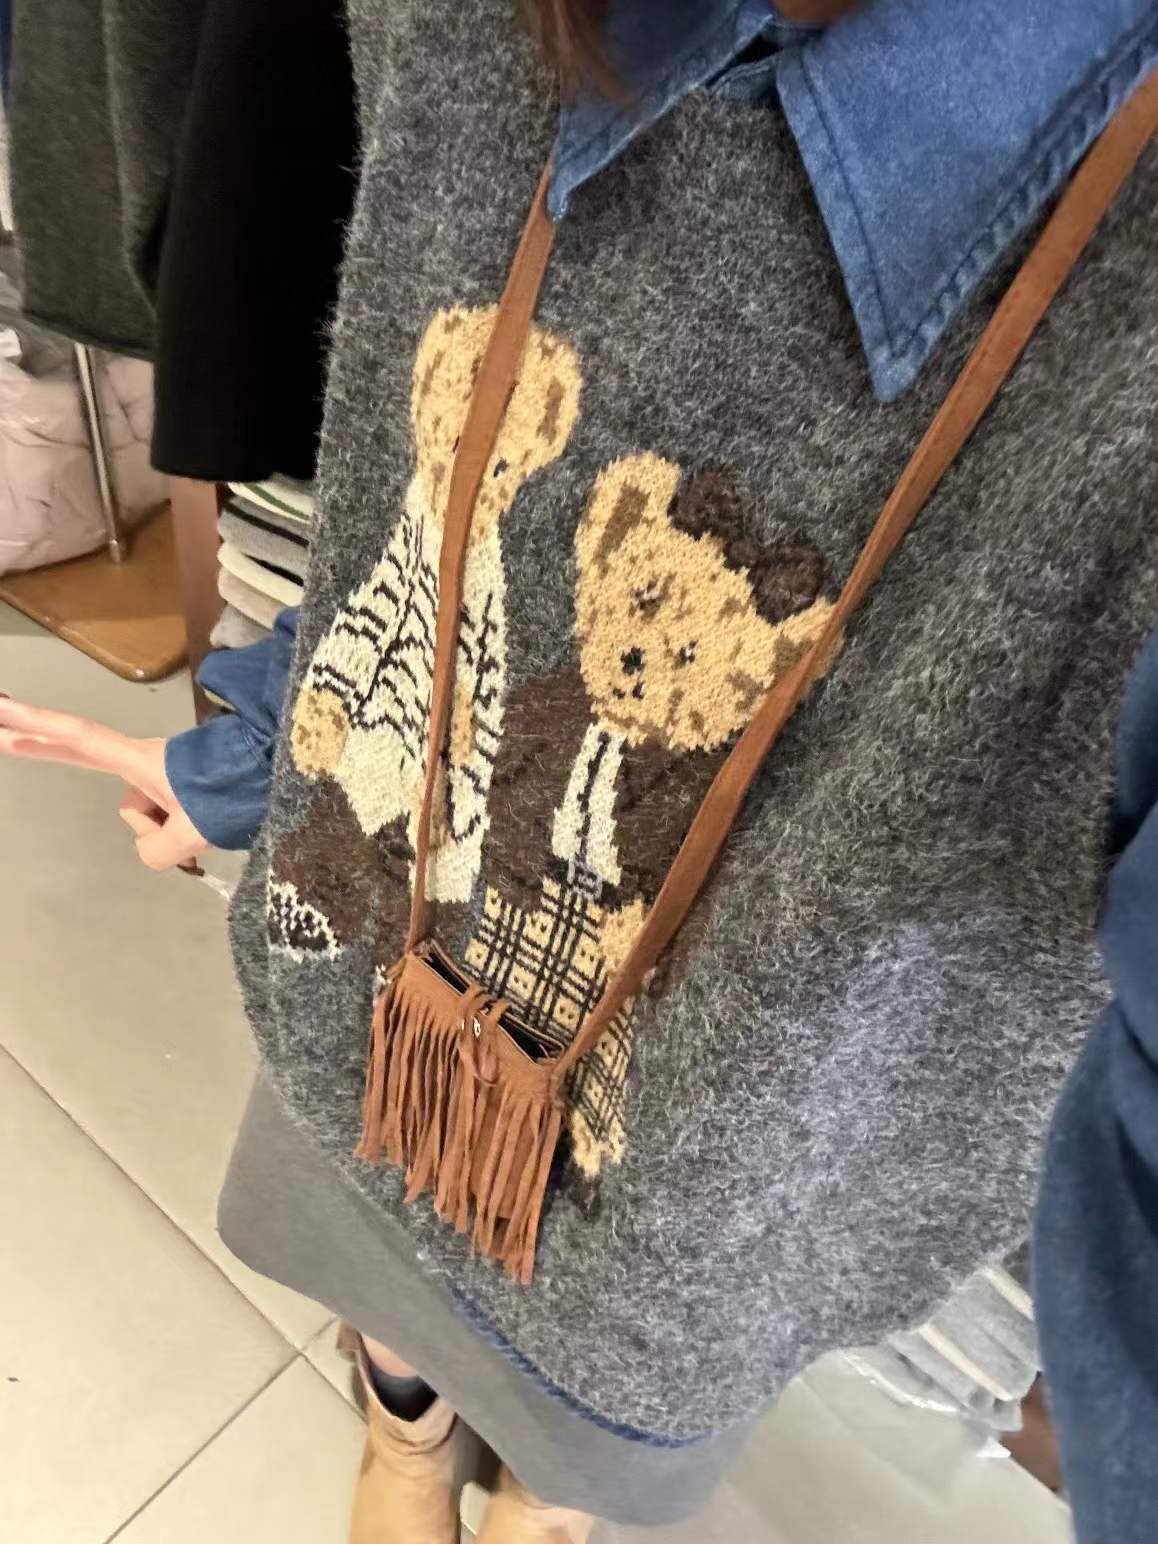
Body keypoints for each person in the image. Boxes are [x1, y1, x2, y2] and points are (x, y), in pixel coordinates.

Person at [2, 2, 1155, 1538]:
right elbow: (397, 508)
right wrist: (248, 761)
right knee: (378, 1267)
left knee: (601, 1406)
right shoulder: (465, 22)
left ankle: (547, 1504)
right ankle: (407, 1422)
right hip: (374, 1005)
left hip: (714, 1201)